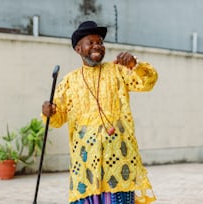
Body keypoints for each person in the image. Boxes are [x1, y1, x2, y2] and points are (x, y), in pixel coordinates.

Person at [42, 21, 158, 204]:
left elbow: (147, 82)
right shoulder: (69, 82)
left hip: (118, 160)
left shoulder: (118, 71)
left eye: (101, 42)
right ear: (78, 48)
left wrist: (135, 64)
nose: (98, 46)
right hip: (86, 163)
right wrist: (49, 112)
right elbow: (57, 119)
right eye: (91, 42)